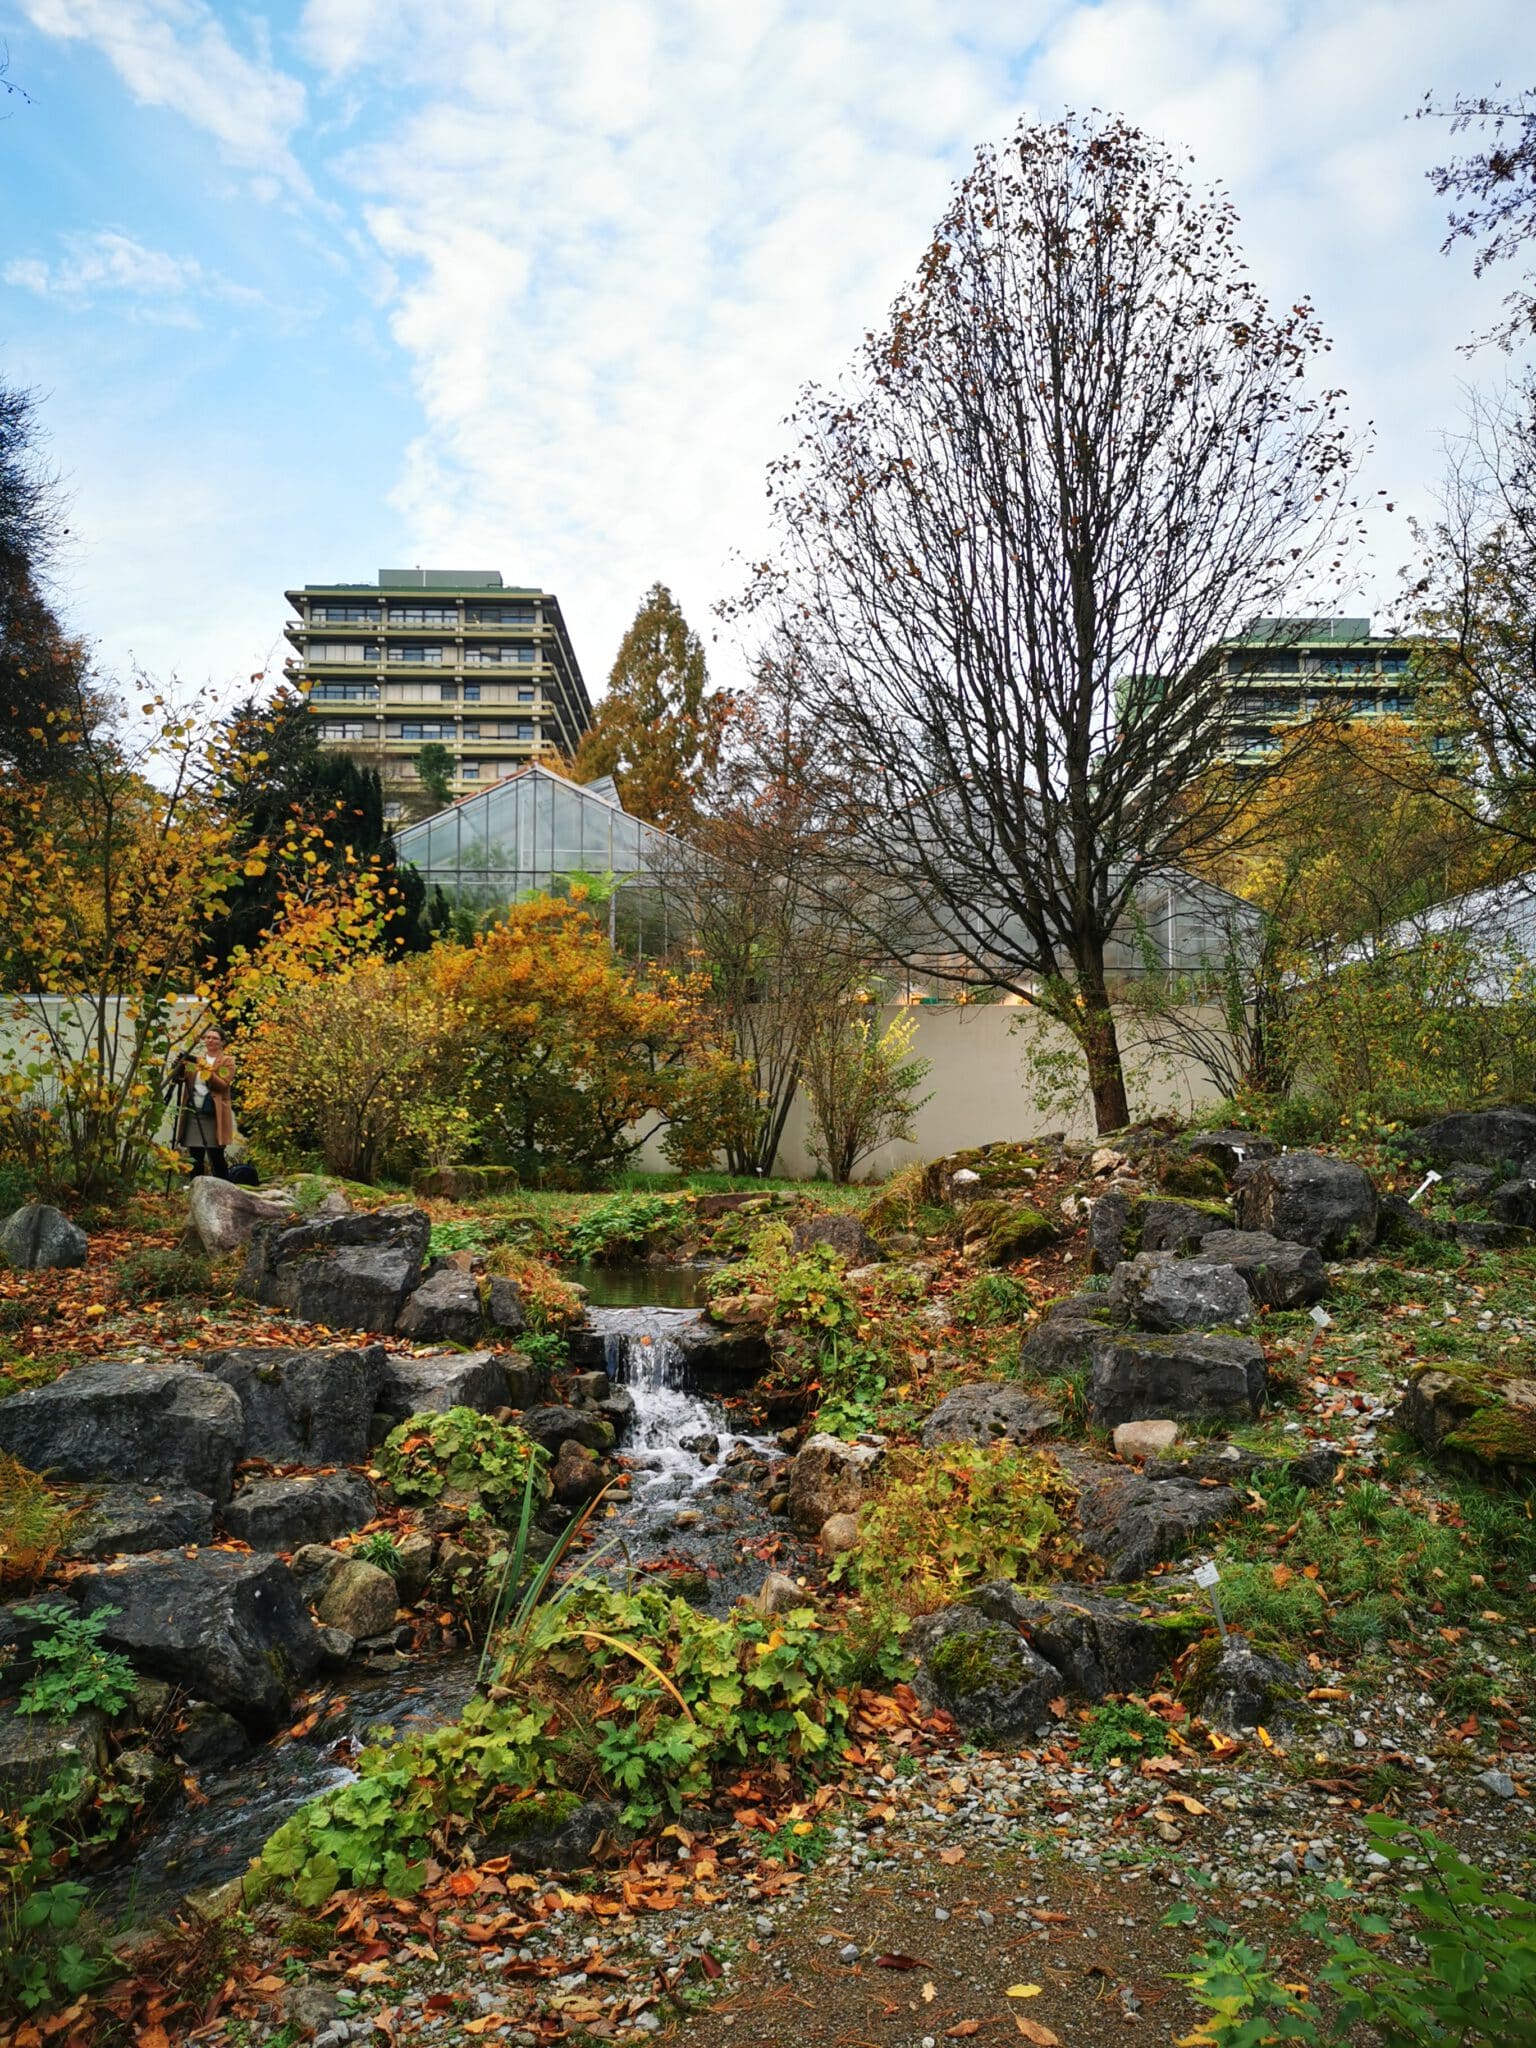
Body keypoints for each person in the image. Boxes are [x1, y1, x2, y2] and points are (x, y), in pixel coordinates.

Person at [172, 1028, 236, 1179]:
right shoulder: (194, 1060)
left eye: (214, 1038)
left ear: (222, 1042)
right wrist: (178, 1067)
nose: (210, 1040)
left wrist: (204, 1067)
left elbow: (222, 1085)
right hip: (194, 1111)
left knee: (216, 1154)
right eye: (207, 1037)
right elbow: (179, 1080)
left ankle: (224, 1187)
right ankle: (196, 1186)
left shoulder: (228, 1061)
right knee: (195, 1155)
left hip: (214, 1113)